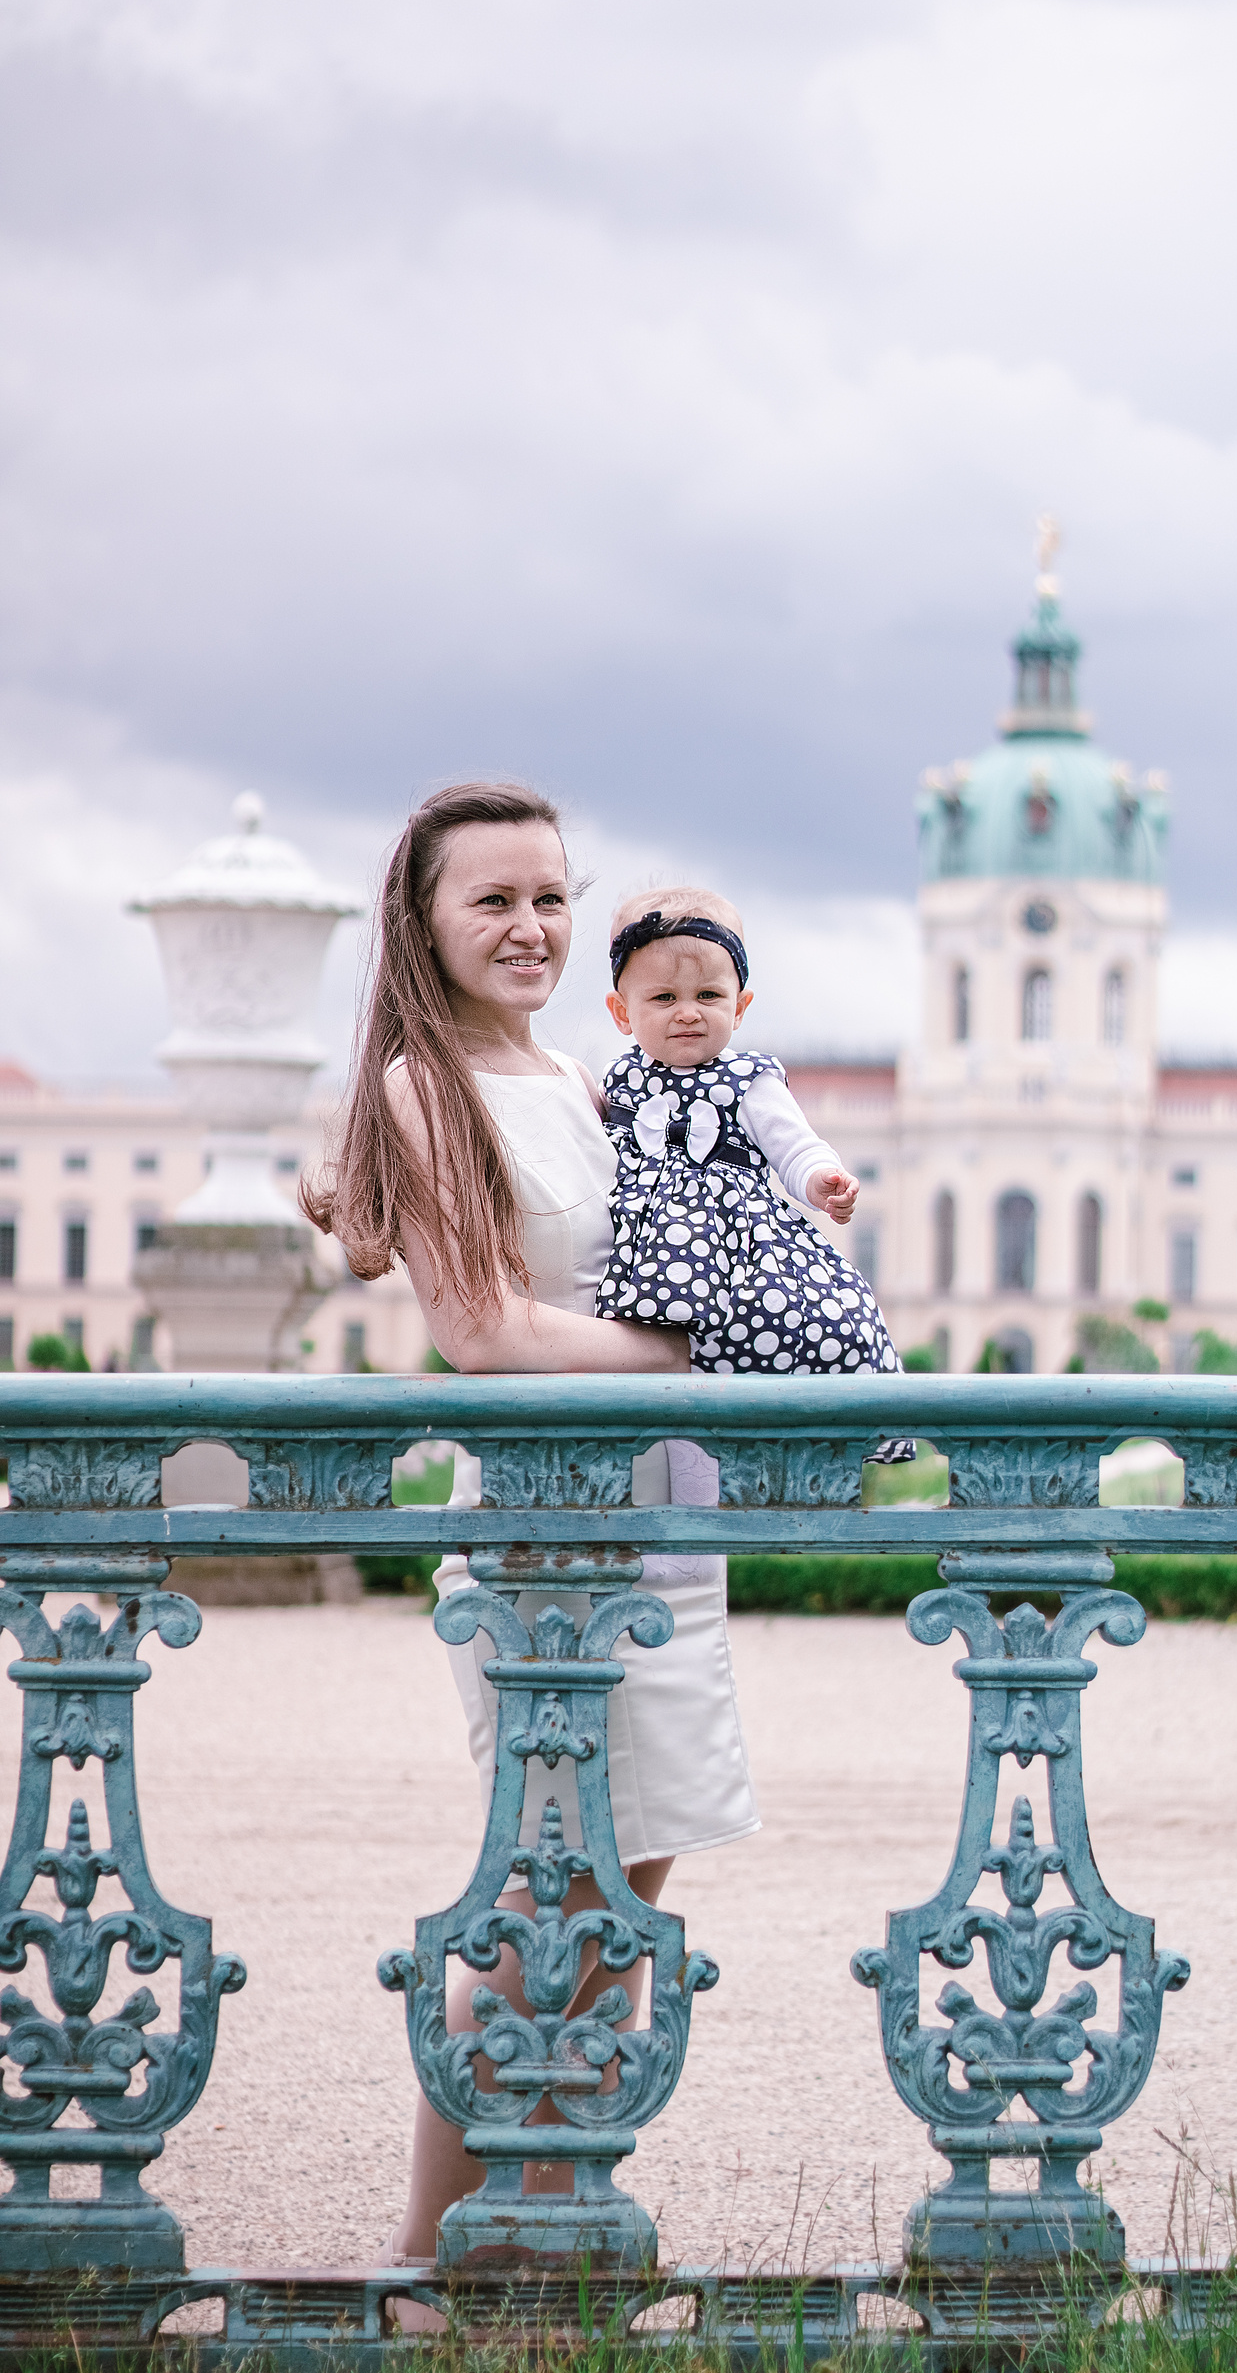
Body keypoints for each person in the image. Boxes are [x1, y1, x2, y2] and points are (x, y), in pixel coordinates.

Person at [304, 784, 759, 2280]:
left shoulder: (575, 1070)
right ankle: (433, 2256)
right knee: (534, 1905)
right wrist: (697, 1351)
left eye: (551, 897)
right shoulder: (421, 1086)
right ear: (421, 921)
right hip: (543, 1544)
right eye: (490, 900)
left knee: (624, 1890)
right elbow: (483, 1330)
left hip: (659, 1532)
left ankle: (543, 2218)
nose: (529, 926)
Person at [597, 886, 904, 1385]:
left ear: (740, 1006)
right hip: (642, 1263)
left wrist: (820, 1178)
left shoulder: (749, 1079)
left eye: (709, 995)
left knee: (778, 1341)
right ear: (622, 1011)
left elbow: (793, 1144)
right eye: (664, 997)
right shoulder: (616, 1081)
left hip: (739, 1257)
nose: (688, 1011)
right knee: (657, 1371)